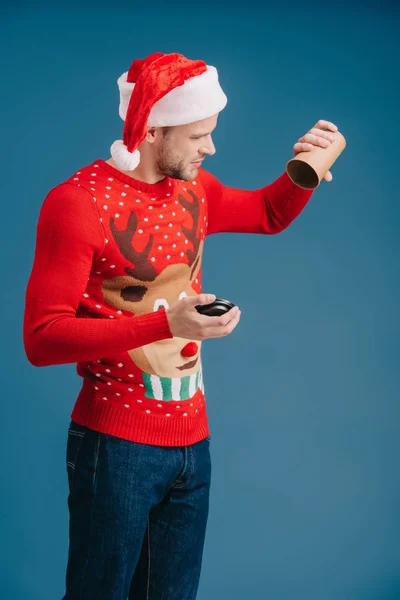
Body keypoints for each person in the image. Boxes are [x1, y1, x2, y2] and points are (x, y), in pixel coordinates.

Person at [23, 51, 338, 600]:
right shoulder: (77, 204)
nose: (210, 147)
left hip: (193, 441)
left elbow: (267, 213)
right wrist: (165, 323)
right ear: (150, 130)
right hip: (113, 446)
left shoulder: (193, 189)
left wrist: (303, 172)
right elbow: (43, 338)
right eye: (198, 136)